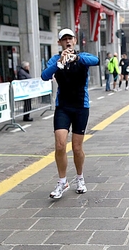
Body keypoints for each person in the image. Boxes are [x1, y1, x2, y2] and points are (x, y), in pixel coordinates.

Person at [41, 28, 99, 199]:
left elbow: (96, 60)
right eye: (64, 39)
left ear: (75, 41)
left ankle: (80, 178)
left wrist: (77, 58)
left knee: (77, 147)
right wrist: (60, 60)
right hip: (63, 107)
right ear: (59, 43)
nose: (67, 41)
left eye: (70, 38)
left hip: (81, 106)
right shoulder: (55, 59)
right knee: (60, 145)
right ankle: (62, 182)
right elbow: (44, 76)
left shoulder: (83, 57)